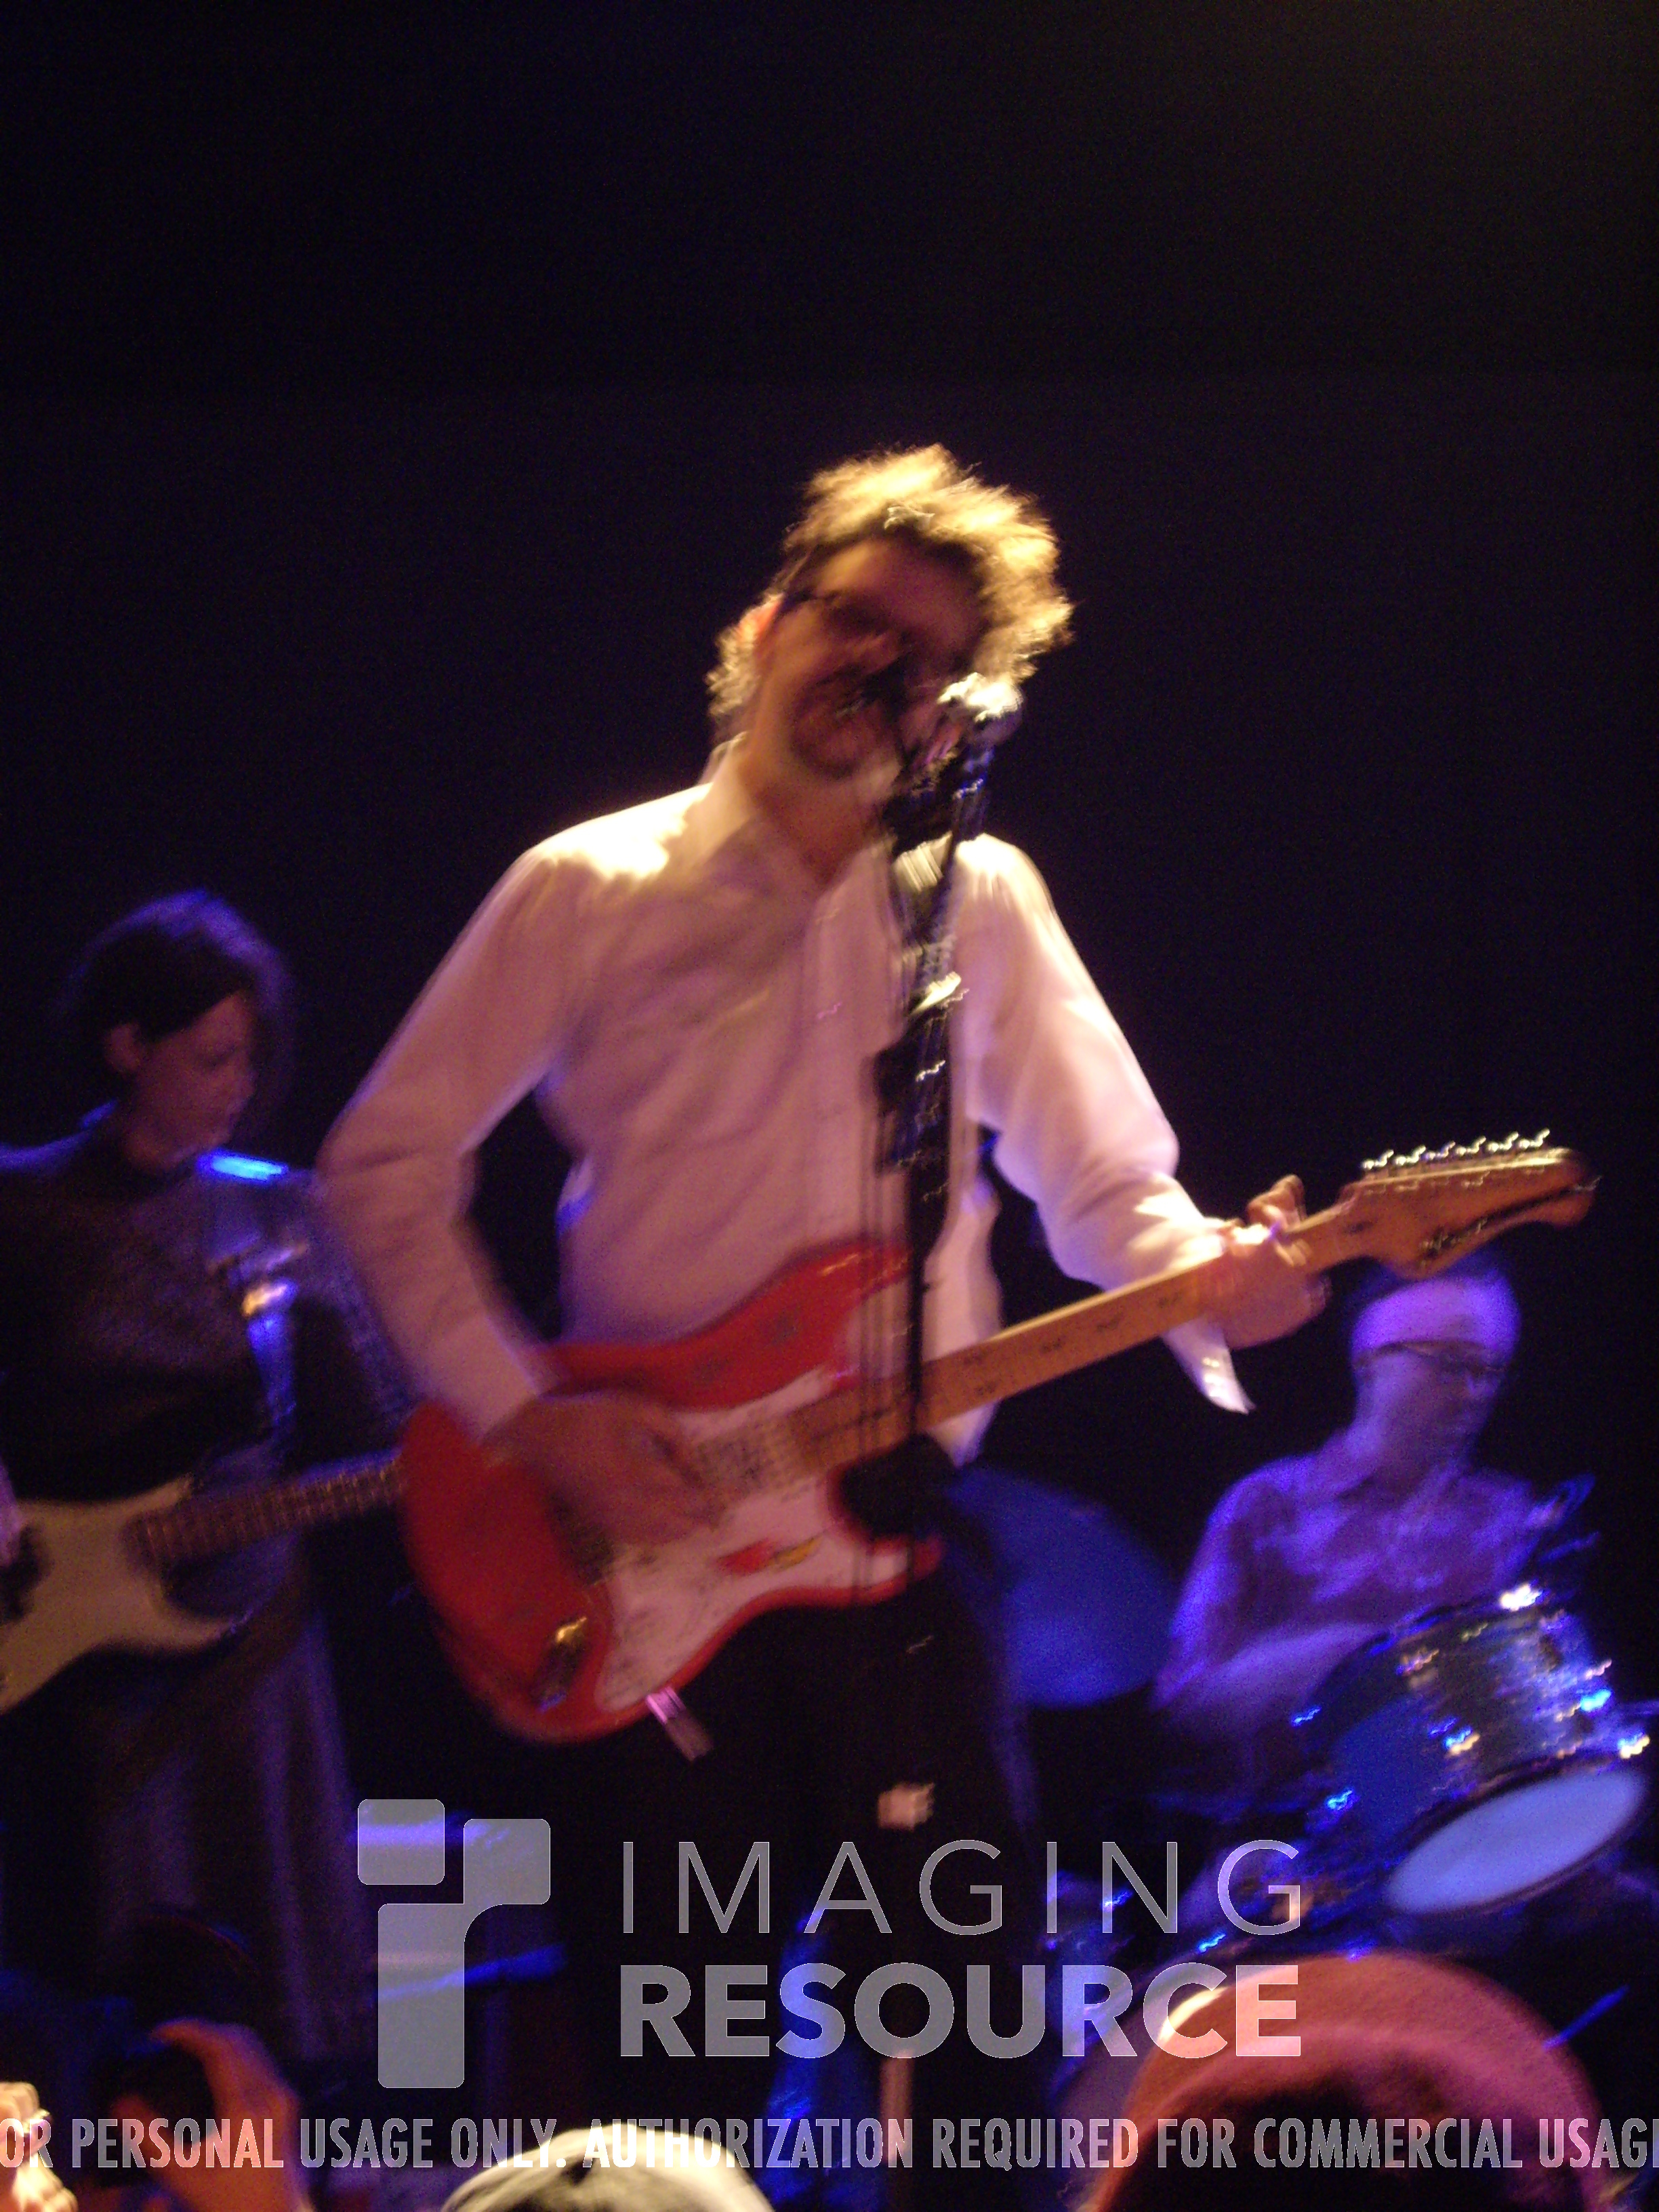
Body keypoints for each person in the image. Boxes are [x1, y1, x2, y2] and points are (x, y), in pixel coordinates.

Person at [319, 446, 1322, 2191]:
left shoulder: (979, 903)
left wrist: (1221, 1270)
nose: (878, 666)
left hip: (900, 1554)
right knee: (674, 2062)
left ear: (955, 709)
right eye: (852, 620)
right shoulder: (589, 885)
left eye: (925, 658)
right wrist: (530, 1415)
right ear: (767, 625)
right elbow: (381, 1167)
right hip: (649, 1552)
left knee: (974, 2050)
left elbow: (1105, 1186)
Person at [0, 895, 408, 2076]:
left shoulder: (281, 1208)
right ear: (129, 1045)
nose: (242, 1085)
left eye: (252, 1058)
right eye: (214, 1057)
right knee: (99, 1977)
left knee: (270, 1958)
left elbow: (378, 1423)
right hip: (76, 1647)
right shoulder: (24, 1204)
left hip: (253, 1651)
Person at [1155, 1257, 1544, 1784]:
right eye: (1451, 1365)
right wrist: (1328, 1661)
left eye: (1491, 1372)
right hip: (1307, 1823)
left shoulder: (1508, 1514)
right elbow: (1184, 1703)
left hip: (1482, 1809)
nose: (1474, 1393)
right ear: (1369, 1363)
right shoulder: (1268, 1504)